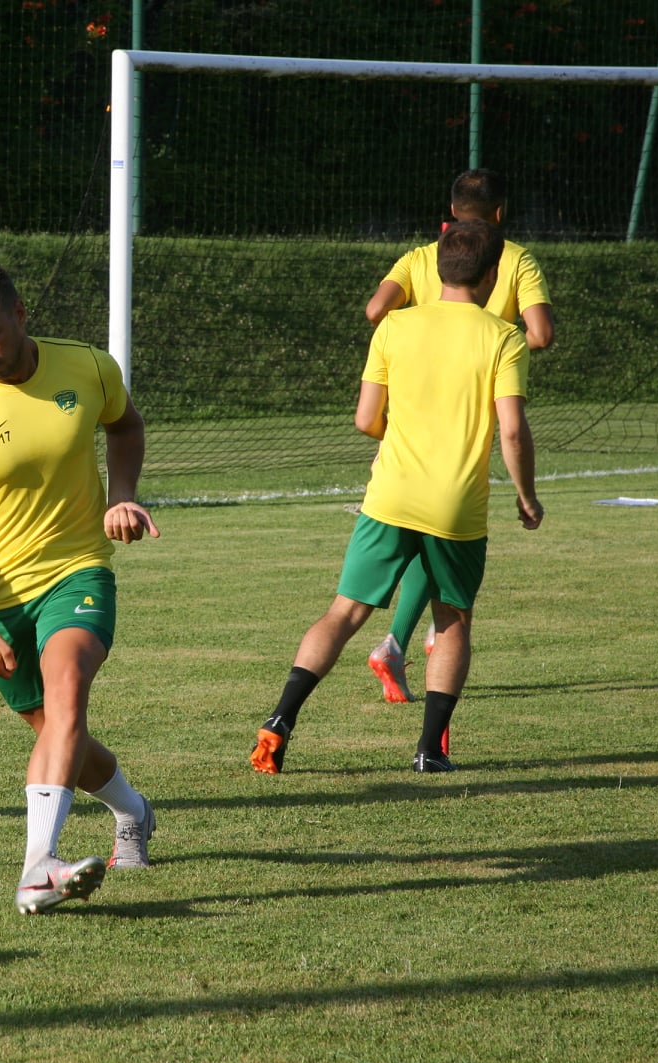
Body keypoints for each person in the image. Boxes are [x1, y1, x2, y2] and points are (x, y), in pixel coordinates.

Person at [0, 258, 161, 914]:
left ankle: (37, 868)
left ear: (21, 315)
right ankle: (134, 812)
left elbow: (126, 425)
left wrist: (123, 496)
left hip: (77, 570)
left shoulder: (88, 367)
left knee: (68, 696)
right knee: (55, 731)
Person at [251, 219, 542, 776]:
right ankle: (430, 751)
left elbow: (366, 419)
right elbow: (511, 430)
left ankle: (281, 719)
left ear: (437, 270)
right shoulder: (504, 337)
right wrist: (526, 497)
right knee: (453, 618)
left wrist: (403, 440)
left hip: (390, 494)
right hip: (456, 504)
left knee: (345, 612)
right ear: (490, 274)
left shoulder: (394, 326)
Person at [363, 167, 555, 705]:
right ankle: (403, 645)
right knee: (448, 541)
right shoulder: (513, 258)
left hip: (406, 426)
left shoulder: (424, 255)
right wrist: (490, 342)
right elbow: (541, 332)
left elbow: (376, 310)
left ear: (450, 212)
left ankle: (399, 642)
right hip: (468, 419)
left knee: (418, 537)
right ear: (499, 214)